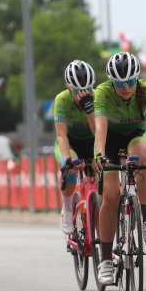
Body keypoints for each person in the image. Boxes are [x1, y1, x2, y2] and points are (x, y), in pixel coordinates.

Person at [94, 52, 146, 285]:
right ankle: (106, 259)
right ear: (112, 82)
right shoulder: (103, 92)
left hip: (135, 135)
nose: (126, 87)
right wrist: (99, 153)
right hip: (109, 141)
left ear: (137, 79)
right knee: (110, 195)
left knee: (140, 154)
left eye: (130, 82)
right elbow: (100, 127)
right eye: (120, 83)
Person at [54, 59, 96, 234]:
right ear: (68, 87)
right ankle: (67, 209)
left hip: (91, 141)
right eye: (78, 90)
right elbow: (61, 134)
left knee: (103, 175)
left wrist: (89, 110)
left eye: (87, 88)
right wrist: (68, 160)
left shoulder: (97, 97)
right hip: (69, 143)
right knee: (69, 171)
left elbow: (98, 132)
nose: (83, 93)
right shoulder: (62, 100)